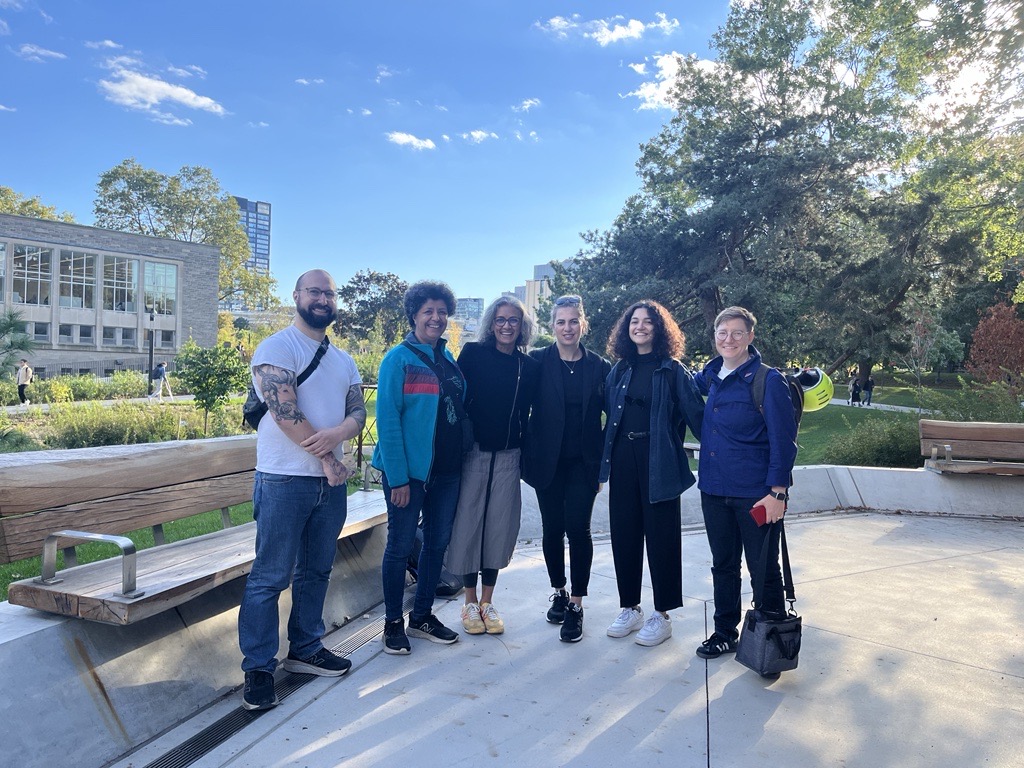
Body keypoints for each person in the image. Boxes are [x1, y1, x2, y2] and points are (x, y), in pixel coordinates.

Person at [238, 269, 366, 711]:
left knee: (316, 571)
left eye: (329, 293)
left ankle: (306, 649)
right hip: (283, 479)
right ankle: (257, 669)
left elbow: (358, 411)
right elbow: (285, 411)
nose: (322, 299)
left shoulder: (343, 359)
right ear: (297, 296)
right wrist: (330, 457)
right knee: (270, 576)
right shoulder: (277, 347)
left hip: (327, 488)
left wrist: (338, 434)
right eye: (314, 291)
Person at [692, 306, 798, 674]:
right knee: (723, 565)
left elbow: (784, 442)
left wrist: (778, 493)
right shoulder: (710, 376)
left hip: (756, 495)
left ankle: (771, 643)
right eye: (723, 332)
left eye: (737, 333)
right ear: (715, 337)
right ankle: (725, 632)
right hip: (714, 490)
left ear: (751, 337)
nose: (729, 339)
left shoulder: (767, 381)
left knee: (763, 569)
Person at [599, 300, 704, 647]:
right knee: (624, 536)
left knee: (662, 539)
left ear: (660, 329)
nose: (640, 327)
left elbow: (698, 419)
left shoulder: (672, 370)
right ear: (626, 329)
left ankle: (662, 615)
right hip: (624, 459)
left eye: (648, 322)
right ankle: (631, 607)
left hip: (658, 461)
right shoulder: (620, 369)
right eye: (634, 322)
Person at [372, 281, 467, 655]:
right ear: (413, 314)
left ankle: (423, 615)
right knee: (398, 546)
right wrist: (397, 478)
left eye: (442, 312)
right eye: (428, 311)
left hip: (446, 472)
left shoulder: (448, 359)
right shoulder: (399, 359)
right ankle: (393, 622)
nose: (436, 317)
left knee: (436, 544)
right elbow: (388, 420)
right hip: (408, 475)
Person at [447, 296, 539, 636]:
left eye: (513, 320)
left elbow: (531, 413)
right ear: (491, 323)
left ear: (522, 325)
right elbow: (455, 399)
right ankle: (469, 601)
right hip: (473, 453)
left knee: (499, 528)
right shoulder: (472, 354)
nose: (506, 325)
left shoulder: (527, 367)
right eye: (500, 319)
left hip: (509, 456)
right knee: (468, 525)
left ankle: (488, 601)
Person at [523, 295, 611, 643]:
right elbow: (521, 409)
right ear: (552, 326)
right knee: (552, 529)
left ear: (583, 325)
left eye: (573, 321)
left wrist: (604, 460)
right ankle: (558, 591)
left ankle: (576, 603)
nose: (567, 327)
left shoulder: (599, 366)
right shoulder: (537, 362)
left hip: (584, 462)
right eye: (561, 322)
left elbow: (612, 415)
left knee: (578, 529)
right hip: (546, 462)